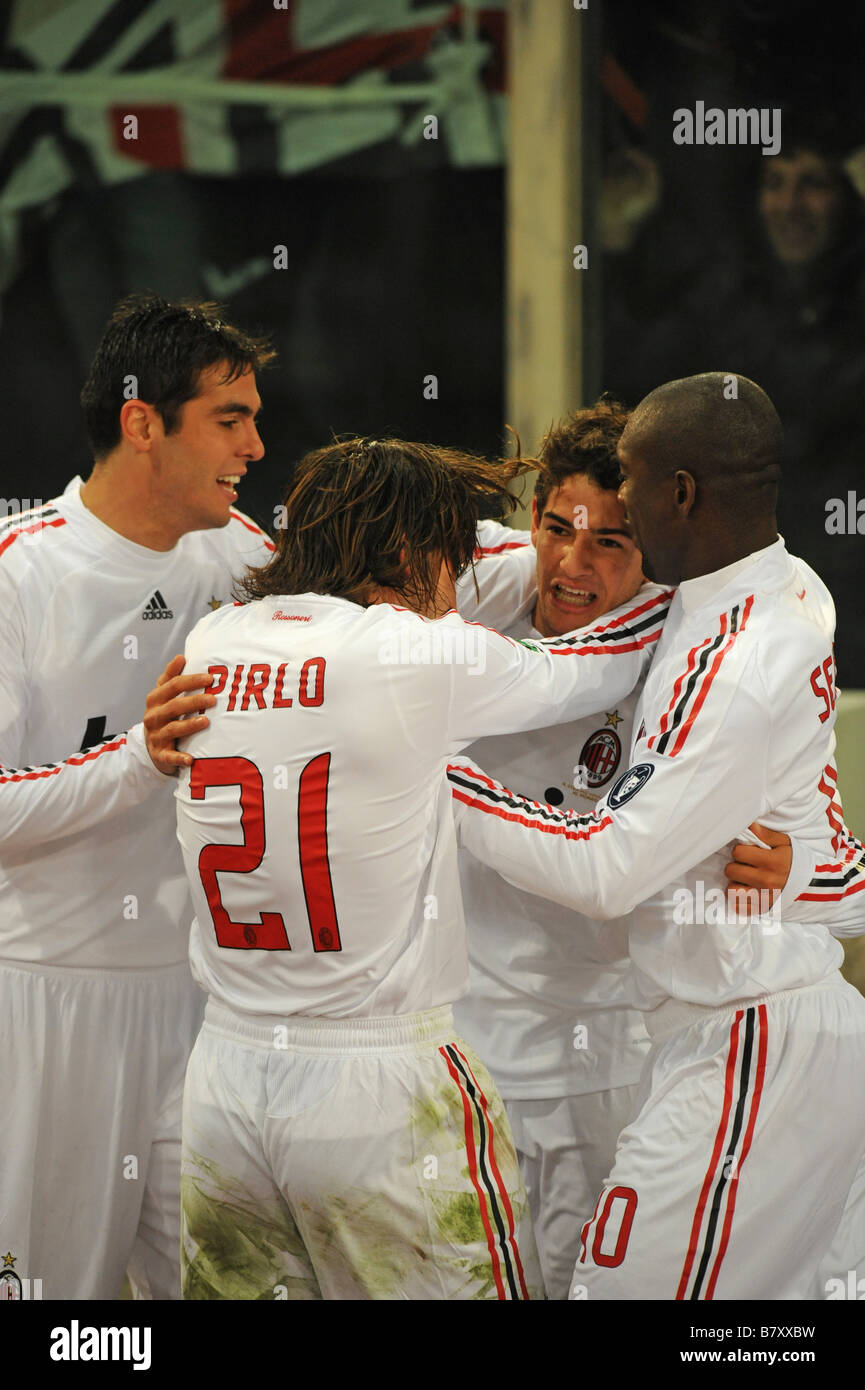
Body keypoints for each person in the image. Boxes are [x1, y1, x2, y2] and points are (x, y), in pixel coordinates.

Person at [172, 435, 674, 1301]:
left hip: (222, 1079)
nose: (458, 589)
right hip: (378, 1087)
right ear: (407, 556)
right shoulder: (412, 653)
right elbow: (584, 671)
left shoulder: (213, 639)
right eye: (451, 557)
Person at [450, 373, 865, 1298]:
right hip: (720, 1035)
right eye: (560, 526)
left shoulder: (737, 655)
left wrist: (424, 760)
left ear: (677, 496)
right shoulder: (750, 592)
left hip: (742, 1044)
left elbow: (607, 871)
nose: (587, 547)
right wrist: (802, 877)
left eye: (624, 504)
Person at [0, 292, 275, 1300]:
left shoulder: (238, 554)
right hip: (42, 1001)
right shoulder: (20, 580)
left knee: (221, 1288)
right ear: (142, 422)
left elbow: (388, 590)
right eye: (229, 419)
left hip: (199, 1006)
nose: (255, 444)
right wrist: (136, 761)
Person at [452, 399, 665, 1299]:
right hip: (454, 1052)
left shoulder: (679, 653)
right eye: (557, 529)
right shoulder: (478, 594)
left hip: (588, 1065)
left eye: (609, 543)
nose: (572, 565)